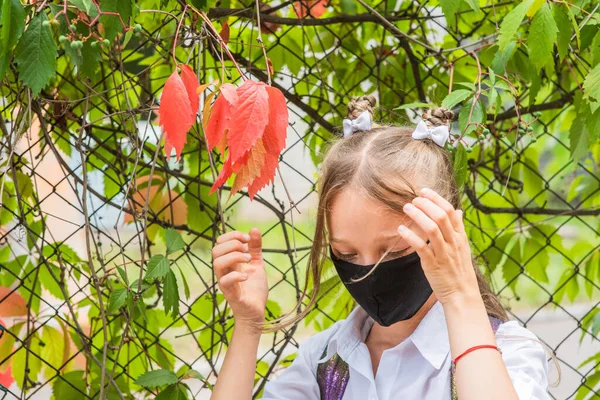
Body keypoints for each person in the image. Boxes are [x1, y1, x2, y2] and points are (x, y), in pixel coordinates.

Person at [209, 95, 555, 400]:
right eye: (347, 255)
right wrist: (248, 325)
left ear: (446, 232)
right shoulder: (325, 361)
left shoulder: (505, 353)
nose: (369, 270)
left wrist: (461, 295)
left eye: (393, 251)